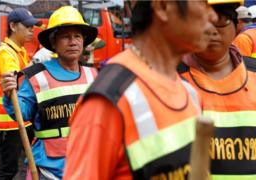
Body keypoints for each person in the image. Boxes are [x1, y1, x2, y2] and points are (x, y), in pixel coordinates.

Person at [63, 0, 217, 179]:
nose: (213, 16)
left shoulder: (189, 92)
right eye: (202, 3)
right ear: (163, 7)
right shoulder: (108, 102)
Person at [0, 6, 98, 179]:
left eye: (77, 36)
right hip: (48, 171)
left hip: (86, 165)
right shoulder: (37, 76)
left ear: (83, 41)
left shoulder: (94, 75)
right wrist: (9, 95)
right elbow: (21, 114)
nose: (73, 42)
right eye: (66, 37)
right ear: (53, 43)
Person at [179, 0, 256, 178]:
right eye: (202, 19)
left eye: (221, 19)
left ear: (236, 26)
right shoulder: (171, 79)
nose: (211, 29)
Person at [0, 8, 41, 179]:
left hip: (22, 119)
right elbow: (17, 84)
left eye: (33, 26)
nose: (31, 30)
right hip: (9, 123)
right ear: (13, 26)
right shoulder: (5, 53)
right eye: (27, 26)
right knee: (8, 170)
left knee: (28, 163)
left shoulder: (20, 51)